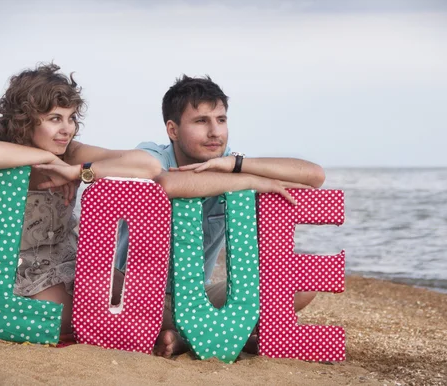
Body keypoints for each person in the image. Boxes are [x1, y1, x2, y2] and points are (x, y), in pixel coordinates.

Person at [113, 75, 326, 357]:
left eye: (221, 120)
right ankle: (203, 338)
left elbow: (315, 177)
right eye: (201, 121)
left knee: (301, 283)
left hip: (194, 300)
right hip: (133, 293)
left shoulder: (229, 163)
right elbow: (169, 184)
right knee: (111, 299)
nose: (215, 132)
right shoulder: (153, 156)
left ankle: (186, 339)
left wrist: (237, 165)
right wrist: (249, 181)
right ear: (173, 129)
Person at [0, 63, 160, 335]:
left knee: (130, 295)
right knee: (61, 319)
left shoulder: (72, 154)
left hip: (59, 257)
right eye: (54, 119)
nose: (67, 129)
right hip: (3, 260)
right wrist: (48, 158)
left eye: (71, 118)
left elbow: (149, 166)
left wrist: (81, 171)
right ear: (25, 120)